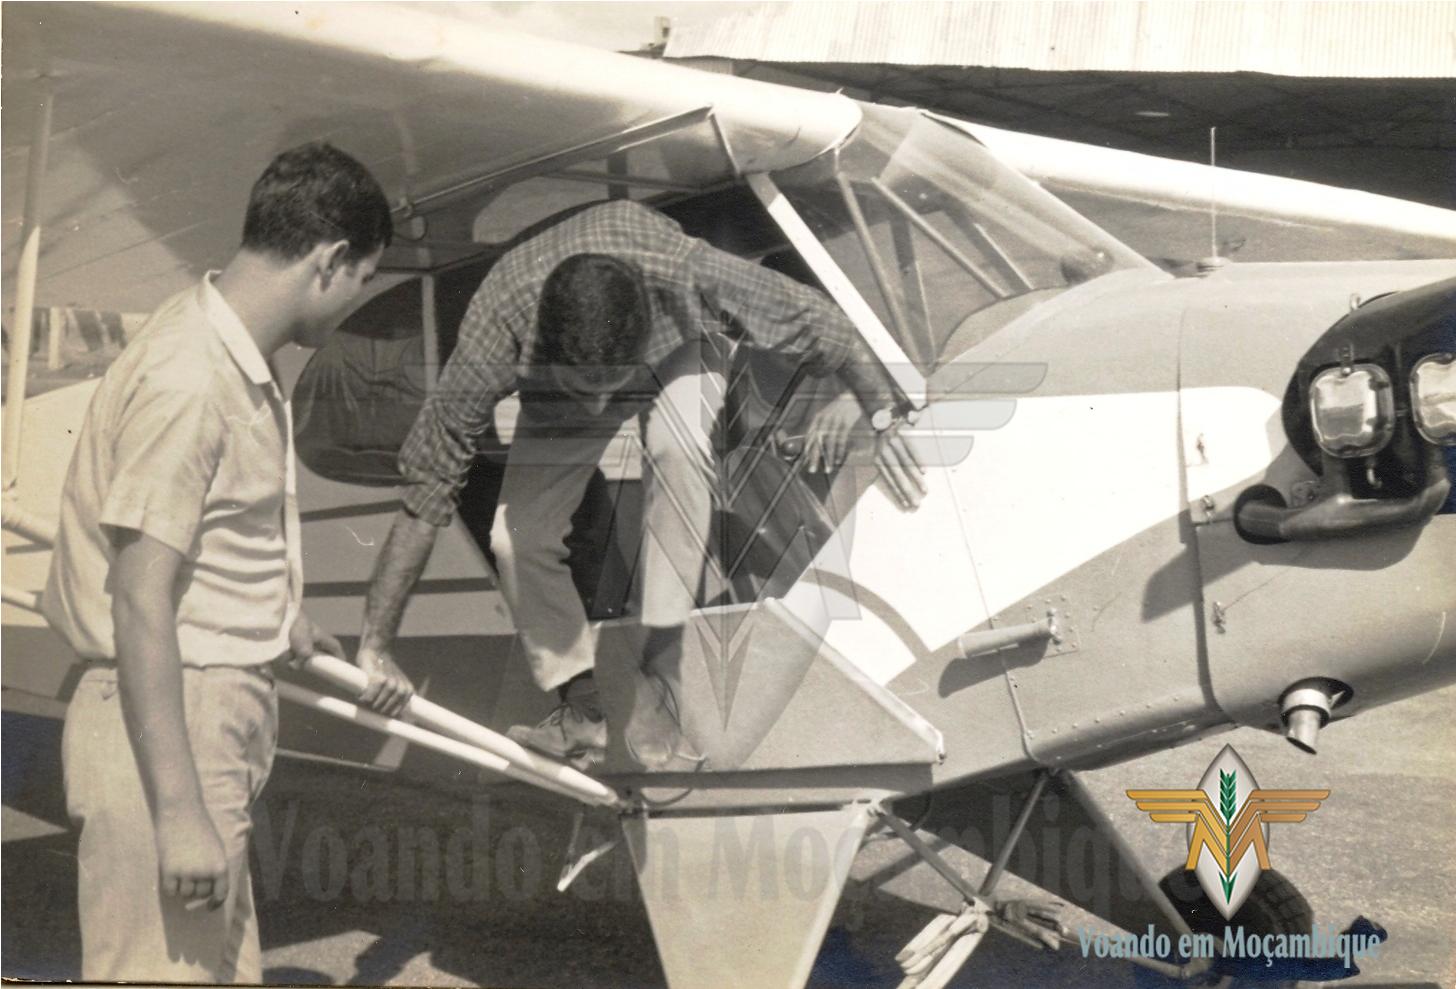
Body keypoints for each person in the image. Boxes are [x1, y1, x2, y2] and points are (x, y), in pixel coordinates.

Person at [355, 200, 924, 769]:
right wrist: (375, 646)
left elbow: (824, 324)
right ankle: (585, 711)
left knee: (679, 450)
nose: (603, 410)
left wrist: (882, 416)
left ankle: (664, 678)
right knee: (516, 536)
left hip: (676, 349)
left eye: (609, 390)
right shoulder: (494, 330)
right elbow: (425, 494)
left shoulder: (682, 271)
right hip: (557, 393)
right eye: (587, 393)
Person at [42, 142, 392, 982]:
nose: (357, 300)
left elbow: (201, 536)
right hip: (171, 724)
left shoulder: (218, 349)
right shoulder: (192, 378)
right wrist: (179, 810)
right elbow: (140, 598)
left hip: (195, 712)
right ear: (330, 258)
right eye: (362, 279)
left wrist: (274, 613)